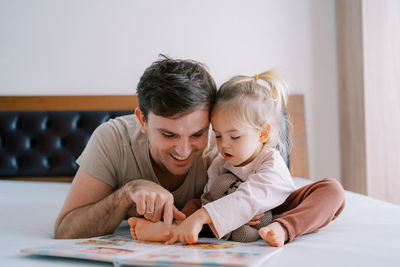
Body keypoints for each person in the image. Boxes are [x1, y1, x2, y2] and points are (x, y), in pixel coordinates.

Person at [55, 56, 345, 248]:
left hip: (261, 210)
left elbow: (259, 191)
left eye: (198, 134)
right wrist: (127, 192)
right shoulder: (113, 139)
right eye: (168, 134)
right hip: (215, 219)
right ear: (143, 120)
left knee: (330, 190)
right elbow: (65, 230)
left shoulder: (224, 143)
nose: (184, 150)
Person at [129, 70, 297, 245]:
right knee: (198, 203)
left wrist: (203, 217)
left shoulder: (271, 163)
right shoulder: (220, 162)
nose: (224, 145)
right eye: (217, 136)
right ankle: (171, 228)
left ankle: (178, 229)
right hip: (234, 220)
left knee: (326, 190)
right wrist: (201, 214)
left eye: (234, 137)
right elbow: (209, 198)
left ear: (262, 133)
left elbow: (250, 198)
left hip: (270, 215)